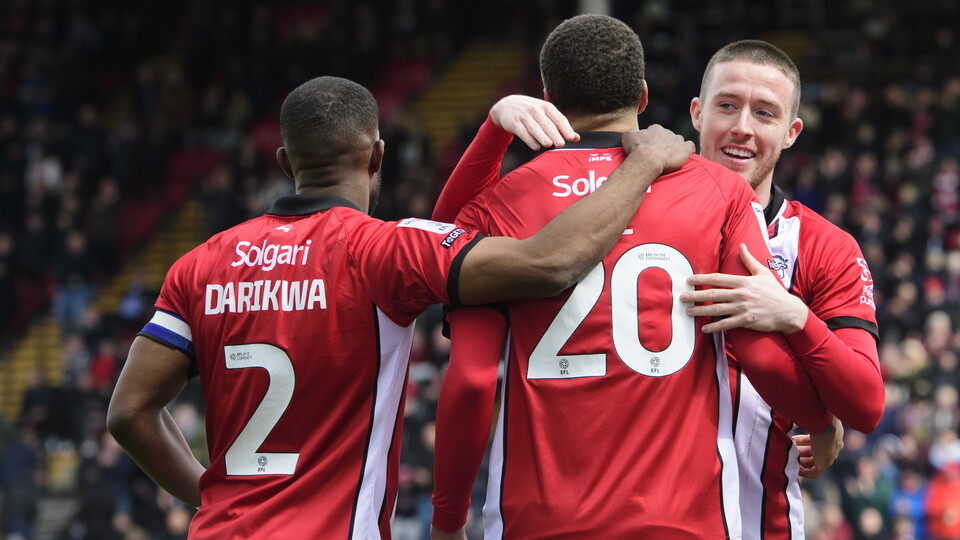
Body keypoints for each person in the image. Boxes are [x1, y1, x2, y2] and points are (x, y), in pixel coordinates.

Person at [105, 75, 696, 539]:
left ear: (285, 162)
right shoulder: (383, 250)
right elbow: (551, 262)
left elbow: (129, 413)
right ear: (377, 156)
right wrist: (642, 163)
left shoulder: (200, 264)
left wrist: (206, 495)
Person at [429, 15, 836, 539]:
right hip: (686, 521)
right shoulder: (720, 191)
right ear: (643, 97)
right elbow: (759, 355)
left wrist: (446, 521)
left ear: (547, 97)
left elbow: (471, 379)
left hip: (538, 520)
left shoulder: (498, 203)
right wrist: (822, 421)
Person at [683, 40, 884, 539]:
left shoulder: (825, 247)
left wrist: (795, 315)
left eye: (765, 113)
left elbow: (866, 404)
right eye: (727, 105)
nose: (742, 127)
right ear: (696, 112)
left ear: (791, 131)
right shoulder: (636, 217)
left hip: (762, 526)